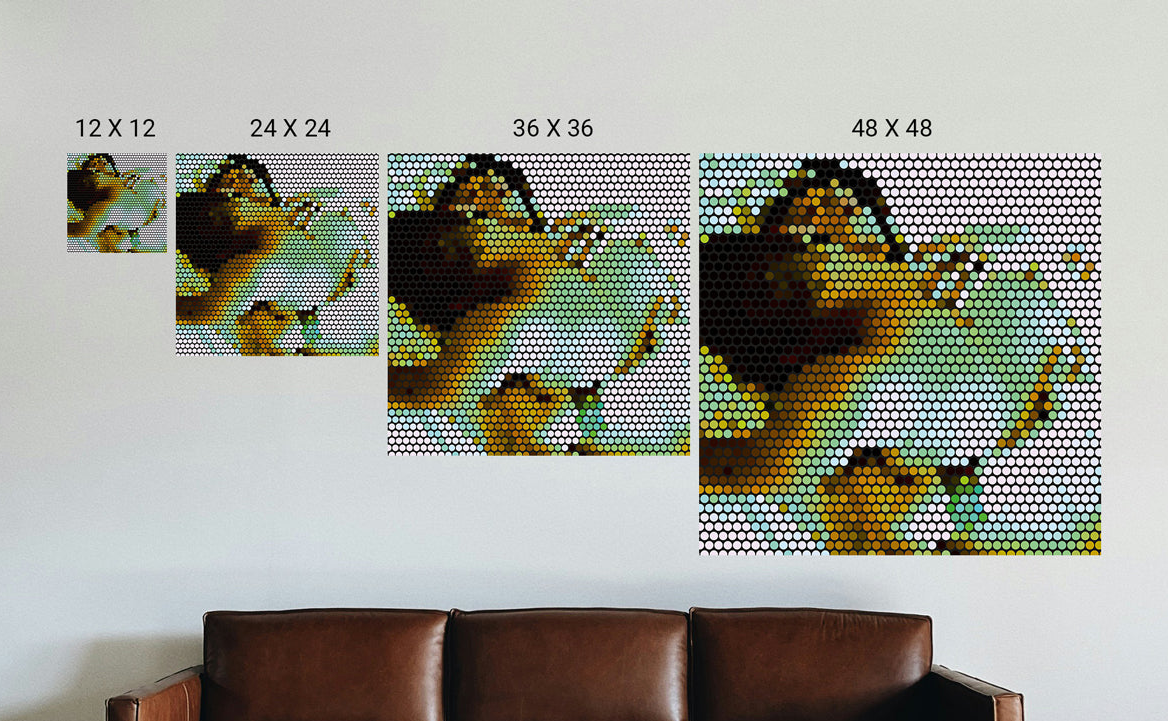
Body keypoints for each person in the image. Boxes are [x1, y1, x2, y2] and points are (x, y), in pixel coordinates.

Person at [700, 157, 1095, 553]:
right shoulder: (843, 373)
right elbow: (761, 474)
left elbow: (759, 473)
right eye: (788, 241)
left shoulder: (956, 284)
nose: (814, 220)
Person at [389, 154, 683, 454]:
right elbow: (431, 392)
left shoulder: (596, 243)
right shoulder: (494, 324)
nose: (482, 196)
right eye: (468, 211)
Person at [175, 155, 374, 355]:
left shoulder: (277, 233)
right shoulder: (252, 262)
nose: (239, 182)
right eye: (230, 183)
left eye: (249, 179)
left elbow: (205, 312)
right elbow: (207, 313)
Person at [67, 154, 166, 252]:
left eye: (103, 161)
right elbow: (83, 230)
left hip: (154, 212)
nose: (101, 164)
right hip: (151, 218)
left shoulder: (106, 205)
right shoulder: (105, 205)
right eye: (94, 164)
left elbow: (80, 230)